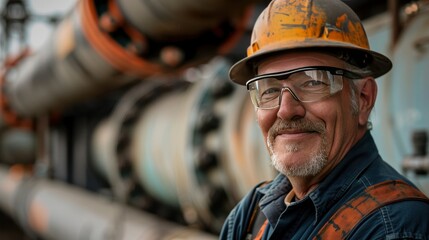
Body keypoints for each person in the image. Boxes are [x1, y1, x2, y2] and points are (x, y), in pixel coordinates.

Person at [220, 0, 429, 239]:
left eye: (312, 82)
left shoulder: (394, 229)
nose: (286, 110)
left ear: (363, 98)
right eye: (269, 89)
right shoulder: (250, 216)